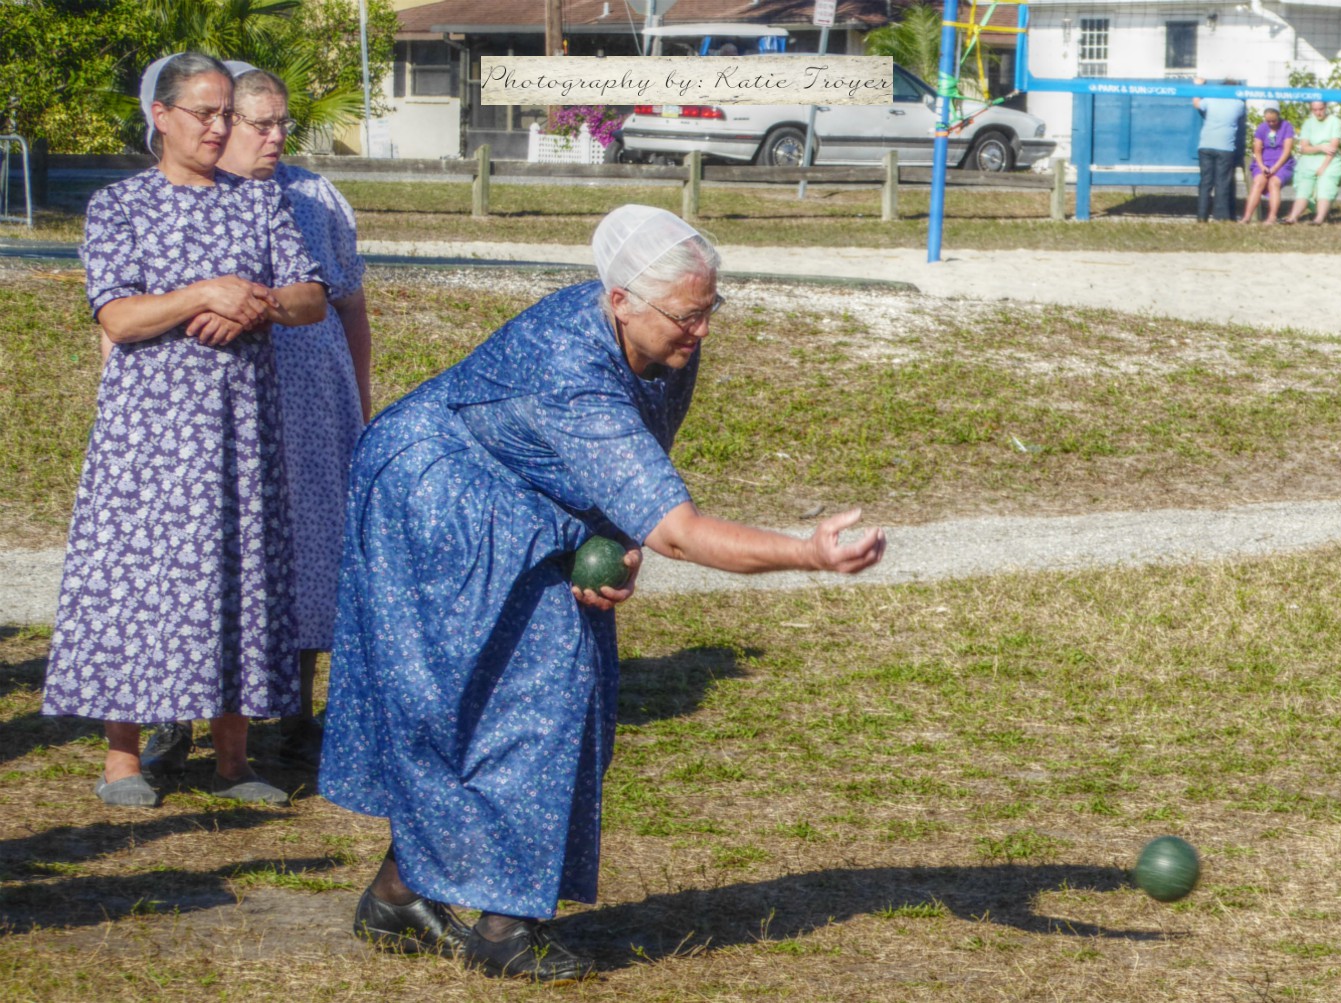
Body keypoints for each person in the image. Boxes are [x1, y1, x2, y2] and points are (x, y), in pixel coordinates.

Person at [320, 205, 886, 982]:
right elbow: (679, 530)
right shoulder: (569, 371)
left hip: (520, 495)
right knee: (501, 692)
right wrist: (808, 553)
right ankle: (500, 927)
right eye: (688, 314)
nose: (702, 331)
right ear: (620, 299)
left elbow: (640, 481)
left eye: (709, 308)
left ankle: (400, 893)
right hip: (432, 494)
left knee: (550, 687)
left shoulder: (664, 344)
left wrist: (619, 542)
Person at [42, 52, 327, 808]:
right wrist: (200, 293)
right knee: (138, 579)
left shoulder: (259, 203)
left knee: (239, 572)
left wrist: (254, 303)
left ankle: (232, 759)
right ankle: (122, 758)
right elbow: (119, 314)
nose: (219, 126)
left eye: (226, 111)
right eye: (205, 112)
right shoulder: (119, 206)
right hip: (150, 437)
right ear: (160, 117)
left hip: (240, 431)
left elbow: (310, 297)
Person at [142, 63, 373, 775]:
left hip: (311, 405)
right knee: (191, 552)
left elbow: (349, 302)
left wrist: (360, 401)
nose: (275, 138)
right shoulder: (188, 197)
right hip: (209, 403)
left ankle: (296, 711)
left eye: (283, 123)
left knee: (305, 551)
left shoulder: (313, 194)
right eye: (260, 123)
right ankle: (171, 716)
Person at [1192, 77, 1245, 223]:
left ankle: (1201, 217)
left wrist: (1197, 87)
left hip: (1206, 144)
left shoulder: (1210, 98)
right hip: (1225, 147)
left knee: (1205, 182)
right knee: (1222, 183)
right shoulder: (1239, 104)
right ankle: (1220, 217)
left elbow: (1196, 104)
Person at [1284, 100, 1341, 225]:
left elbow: (1333, 147)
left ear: (1325, 107)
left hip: (1329, 160)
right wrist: (1320, 147)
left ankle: (1319, 218)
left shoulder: (1334, 121)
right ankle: (1293, 217)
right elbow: (1304, 148)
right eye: (1315, 110)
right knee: (1304, 187)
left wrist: (1323, 167)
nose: (1318, 113)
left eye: (1320, 109)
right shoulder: (1308, 123)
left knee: (1325, 184)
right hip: (1310, 159)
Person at [1240, 105, 1295, 224]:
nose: (1271, 123)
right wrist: (1262, 166)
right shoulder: (1261, 128)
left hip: (1282, 163)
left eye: (1273, 121)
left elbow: (1287, 150)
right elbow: (1257, 150)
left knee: (1273, 183)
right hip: (1264, 162)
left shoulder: (1286, 127)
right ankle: (1247, 216)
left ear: (1278, 117)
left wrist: (1275, 168)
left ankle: (1272, 217)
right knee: (1259, 182)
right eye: (1268, 121)